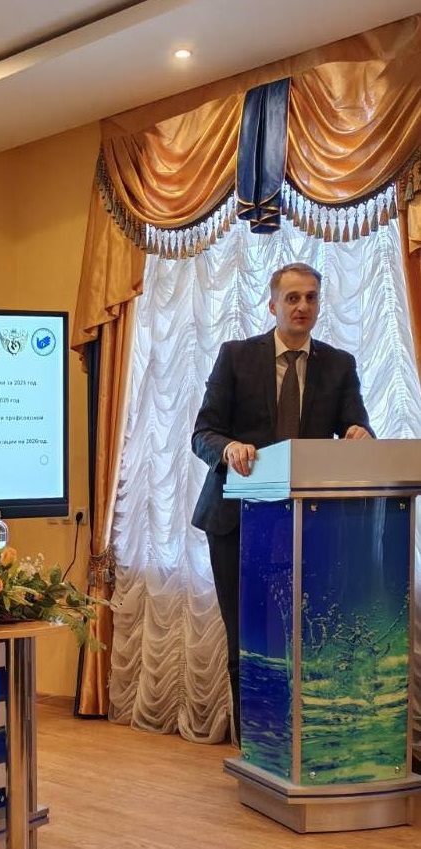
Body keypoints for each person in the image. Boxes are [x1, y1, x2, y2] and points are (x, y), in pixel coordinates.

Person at [191, 262, 372, 743]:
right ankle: (255, 744)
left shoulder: (339, 364)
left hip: (310, 522)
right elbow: (203, 432)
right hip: (237, 520)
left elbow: (356, 426)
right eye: (292, 298)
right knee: (248, 636)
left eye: (311, 297)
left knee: (306, 637)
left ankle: (305, 741)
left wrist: (360, 433)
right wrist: (229, 448)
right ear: (272, 304)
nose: (302, 306)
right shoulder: (236, 357)